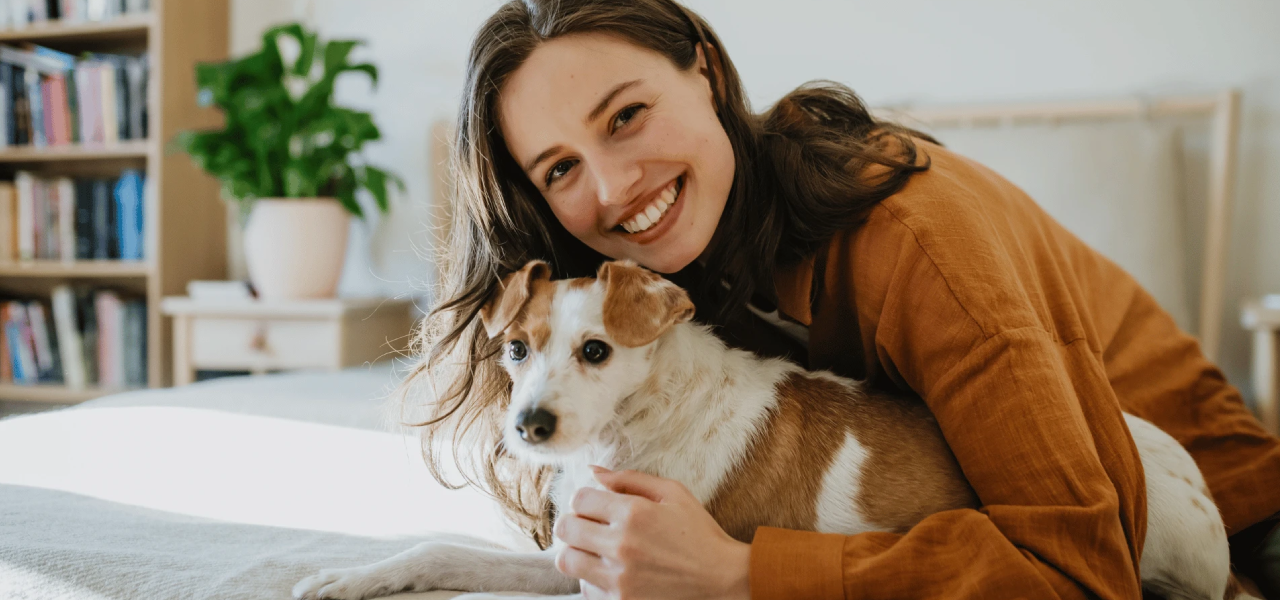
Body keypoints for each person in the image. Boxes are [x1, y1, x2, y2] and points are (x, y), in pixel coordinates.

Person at [402, 0, 1280, 598]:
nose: (613, 186)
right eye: (560, 169)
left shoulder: (919, 239)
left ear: (704, 71)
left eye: (625, 116)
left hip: (1213, 521)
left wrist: (743, 574)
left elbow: (1080, 565)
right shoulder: (672, 279)